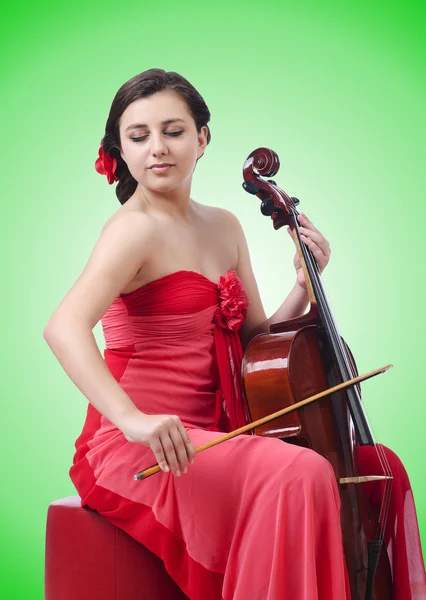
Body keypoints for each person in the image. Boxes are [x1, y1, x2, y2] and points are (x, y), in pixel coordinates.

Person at [43, 68, 425, 600]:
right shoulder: (134, 229)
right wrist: (133, 420)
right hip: (146, 446)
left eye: (173, 131)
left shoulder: (225, 225)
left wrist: (304, 284)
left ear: (202, 139)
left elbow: (256, 343)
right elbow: (63, 327)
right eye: (139, 136)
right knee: (299, 474)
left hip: (223, 433)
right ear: (120, 152)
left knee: (379, 466)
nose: (158, 148)